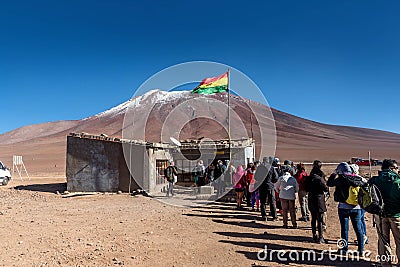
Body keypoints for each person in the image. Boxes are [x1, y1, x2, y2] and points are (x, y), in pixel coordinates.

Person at [327, 162, 365, 253]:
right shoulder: (357, 178)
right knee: (358, 229)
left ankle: (344, 249)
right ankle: (361, 249)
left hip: (343, 207)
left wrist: (334, 173)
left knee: (344, 229)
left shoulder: (340, 179)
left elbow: (329, 183)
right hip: (357, 208)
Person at [370, 159, 400, 267]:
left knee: (383, 240)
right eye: (397, 168)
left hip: (380, 215)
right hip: (396, 215)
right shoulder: (398, 181)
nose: (398, 170)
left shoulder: (374, 180)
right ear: (392, 168)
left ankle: (385, 263)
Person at [306, 160, 329, 243]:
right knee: (319, 219)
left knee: (313, 218)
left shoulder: (310, 177)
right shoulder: (320, 177)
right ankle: (320, 237)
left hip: (311, 198)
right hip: (319, 199)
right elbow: (325, 188)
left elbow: (306, 188)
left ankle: (314, 235)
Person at [255, 157, 279, 221]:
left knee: (262, 202)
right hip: (270, 186)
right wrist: (271, 181)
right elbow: (276, 178)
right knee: (272, 201)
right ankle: (274, 216)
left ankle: (264, 215)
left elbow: (256, 177)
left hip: (262, 186)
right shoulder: (271, 168)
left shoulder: (259, 168)